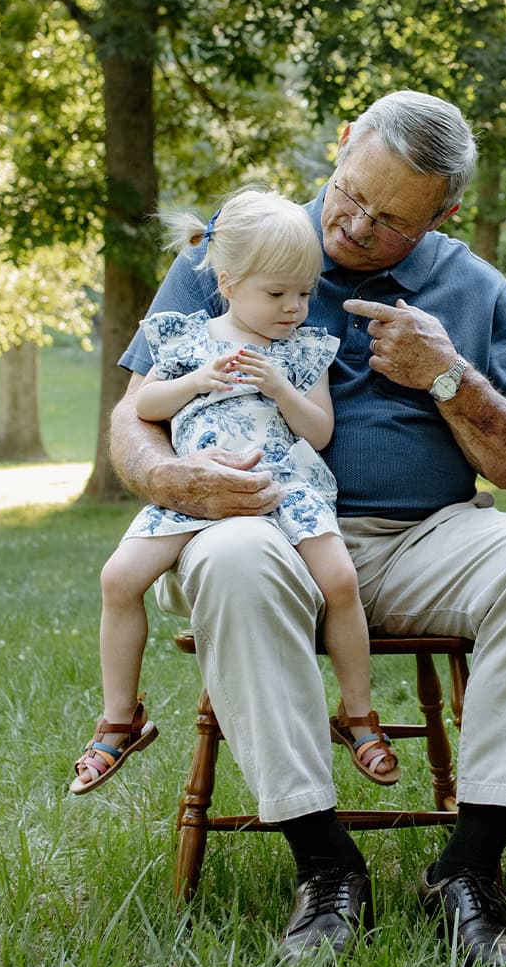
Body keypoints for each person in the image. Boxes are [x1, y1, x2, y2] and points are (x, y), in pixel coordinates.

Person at [109, 91, 506, 966]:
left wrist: (448, 378)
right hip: (266, 525)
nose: (358, 227)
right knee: (229, 563)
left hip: (426, 538)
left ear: (445, 213)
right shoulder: (240, 242)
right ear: (340, 147)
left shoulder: (473, 286)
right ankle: (326, 865)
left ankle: (469, 870)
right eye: (349, 195)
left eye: (392, 221)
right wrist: (170, 476)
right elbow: (132, 416)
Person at [73, 188, 398, 797]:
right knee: (118, 580)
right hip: (197, 493)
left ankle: (358, 716)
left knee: (341, 581)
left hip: (286, 486)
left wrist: (282, 388)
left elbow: (320, 430)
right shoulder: (188, 340)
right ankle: (120, 718)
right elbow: (144, 404)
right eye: (275, 294)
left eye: (304, 292)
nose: (293, 308)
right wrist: (194, 381)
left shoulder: (304, 352)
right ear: (226, 282)